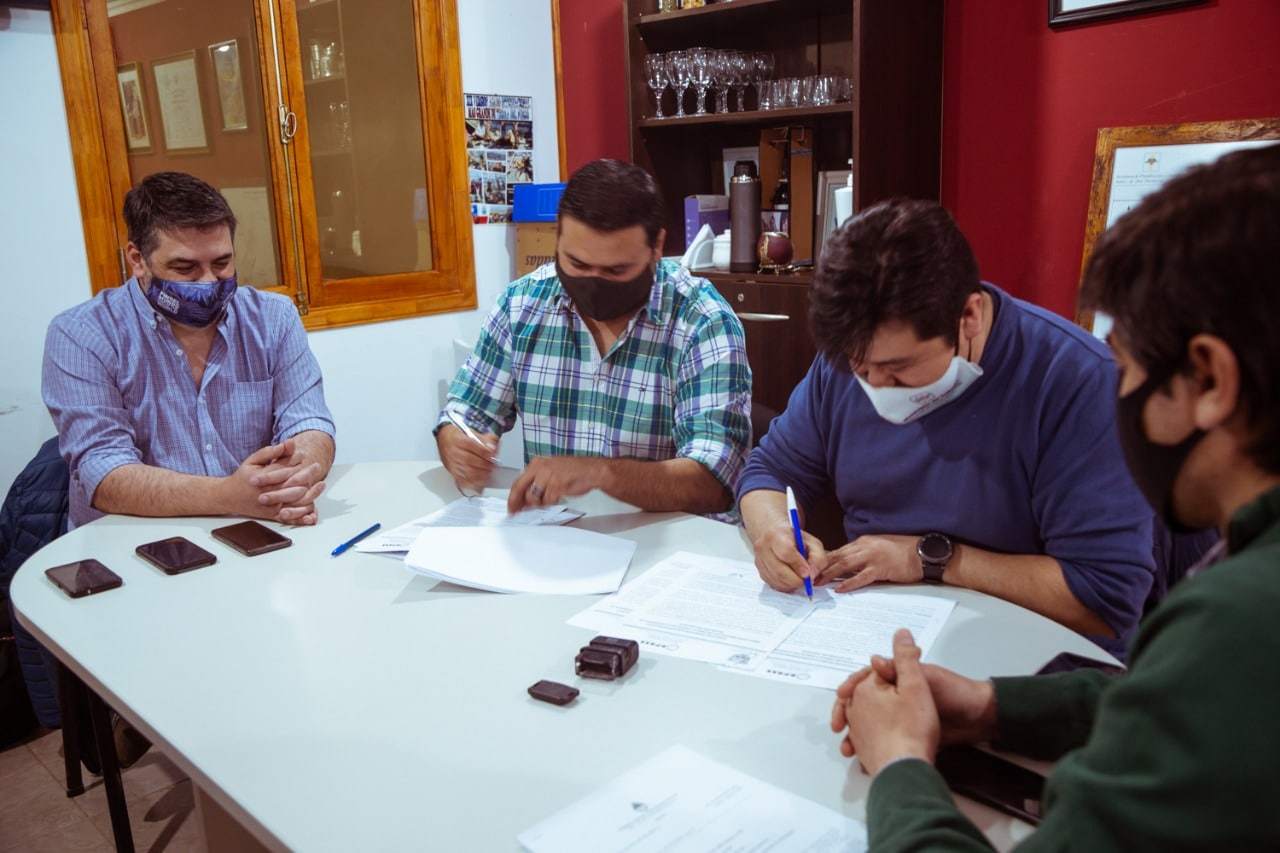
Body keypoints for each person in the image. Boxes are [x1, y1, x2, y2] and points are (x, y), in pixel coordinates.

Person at [833, 144, 1280, 851]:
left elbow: (1186, 664)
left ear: (1210, 379)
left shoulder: (1240, 625)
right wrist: (993, 707)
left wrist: (900, 767)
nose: (1118, 389)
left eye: (1128, 365)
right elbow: (1173, 696)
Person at [738, 199, 1153, 655]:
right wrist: (773, 532)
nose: (875, 387)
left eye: (898, 368)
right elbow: (770, 471)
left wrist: (929, 559)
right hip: (877, 634)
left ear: (969, 316)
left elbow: (1104, 597)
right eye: (860, 368)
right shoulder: (850, 355)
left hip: (1035, 666)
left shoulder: (1077, 382)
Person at [437, 159, 751, 516]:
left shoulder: (702, 321)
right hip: (553, 541)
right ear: (558, 238)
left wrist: (603, 474)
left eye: (617, 270)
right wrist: (455, 441)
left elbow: (714, 483)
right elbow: (464, 414)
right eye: (577, 264)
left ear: (657, 246)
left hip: (666, 550)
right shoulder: (521, 306)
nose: (593, 282)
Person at [43, 171, 336, 531]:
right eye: (185, 268)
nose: (210, 283)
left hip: (257, 525)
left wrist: (296, 474)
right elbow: (103, 472)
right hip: (132, 541)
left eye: (221, 263)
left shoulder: (273, 317)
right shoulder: (82, 335)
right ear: (137, 259)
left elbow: (309, 421)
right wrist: (228, 495)